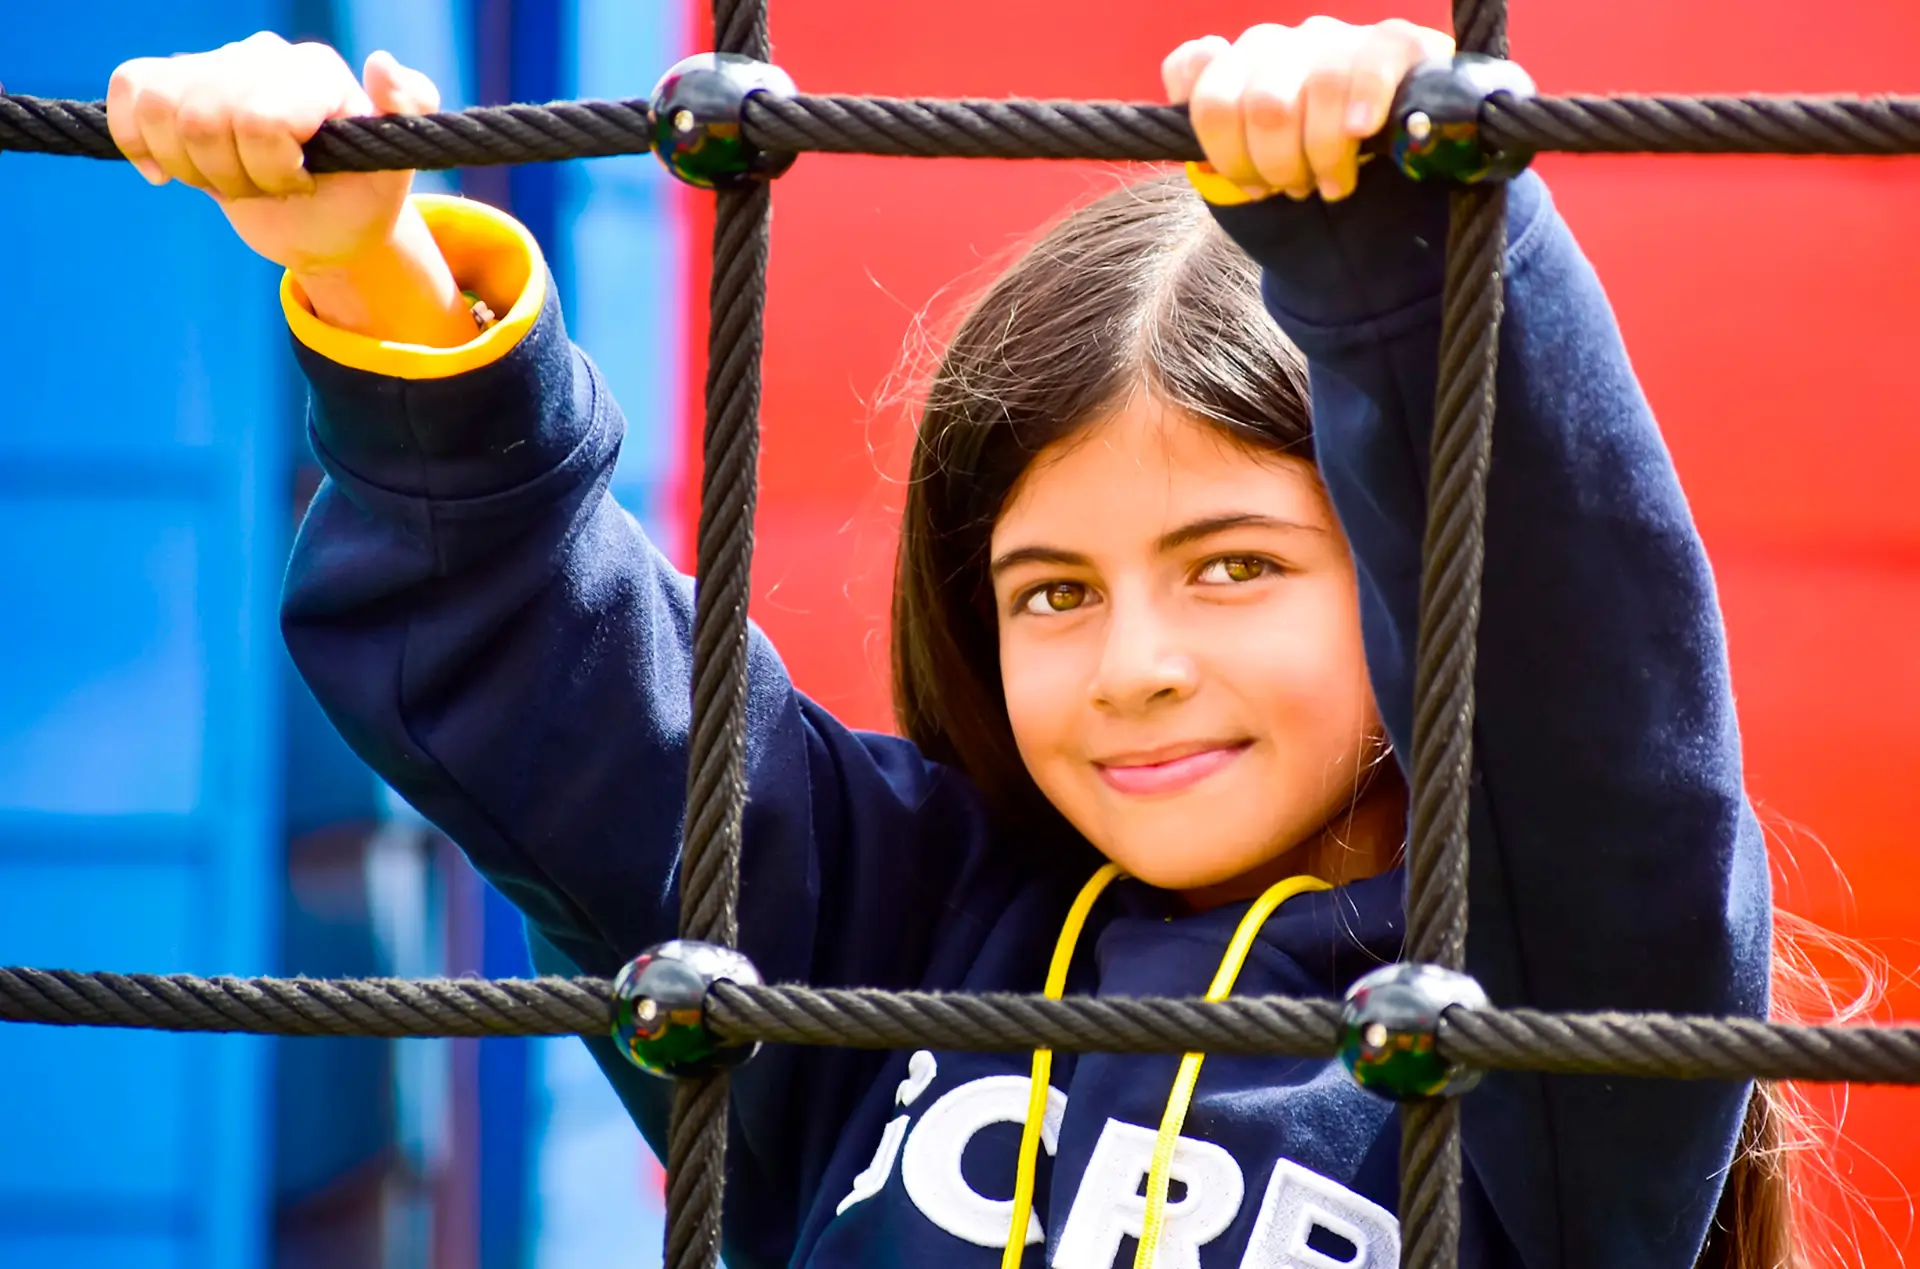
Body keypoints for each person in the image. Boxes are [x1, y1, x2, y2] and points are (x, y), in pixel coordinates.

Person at [107, 17, 1811, 1268]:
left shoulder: (1534, 1053)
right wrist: (373, 262)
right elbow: (546, 662)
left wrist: (1412, 259)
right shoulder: (892, 920)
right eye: (1053, 590)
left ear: (1397, 575)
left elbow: (1592, 728)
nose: (1132, 659)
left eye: (1231, 566)